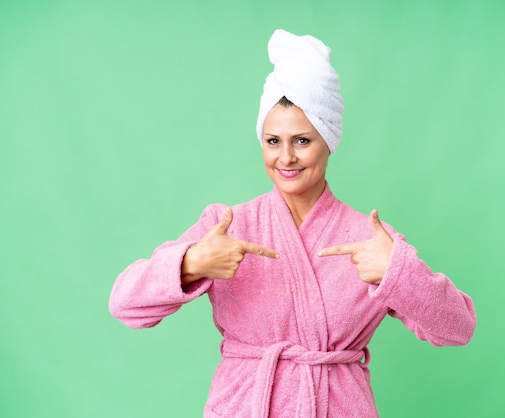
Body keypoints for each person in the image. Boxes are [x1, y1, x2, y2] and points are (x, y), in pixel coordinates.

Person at [109, 29, 476, 418]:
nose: (285, 157)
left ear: (328, 140)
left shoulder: (372, 242)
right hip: (243, 406)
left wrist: (398, 272)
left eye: (302, 140)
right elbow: (125, 306)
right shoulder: (227, 226)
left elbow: (458, 329)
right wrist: (191, 263)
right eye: (272, 141)